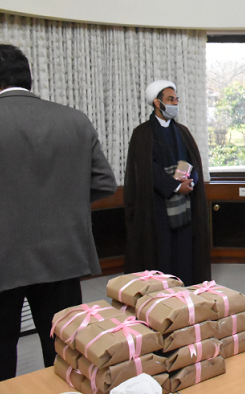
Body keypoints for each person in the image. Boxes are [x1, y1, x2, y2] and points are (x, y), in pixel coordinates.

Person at [0, 44, 117, 381]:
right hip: (64, 253)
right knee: (65, 352)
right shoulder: (74, 119)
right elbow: (105, 183)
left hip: (4, 257)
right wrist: (64, 204)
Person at [124, 80, 211, 287]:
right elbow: (147, 168)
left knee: (184, 250)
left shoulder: (182, 131)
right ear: (157, 102)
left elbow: (193, 161)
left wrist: (190, 182)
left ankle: (184, 290)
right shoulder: (142, 133)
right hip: (157, 206)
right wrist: (175, 186)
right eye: (170, 99)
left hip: (184, 203)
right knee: (161, 251)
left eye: (176, 99)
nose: (175, 103)